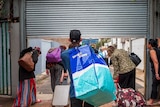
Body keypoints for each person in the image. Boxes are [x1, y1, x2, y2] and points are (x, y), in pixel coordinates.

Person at [61, 30, 94, 107]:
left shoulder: (64, 55)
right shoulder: (89, 50)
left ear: (69, 40)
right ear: (81, 39)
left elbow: (66, 66)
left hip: (75, 89)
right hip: (90, 87)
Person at [147, 39, 160, 105]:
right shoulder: (158, 49)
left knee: (154, 85)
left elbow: (156, 62)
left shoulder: (152, 51)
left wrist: (157, 73)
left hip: (157, 70)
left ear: (150, 44)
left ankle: (151, 101)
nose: (147, 45)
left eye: (148, 43)